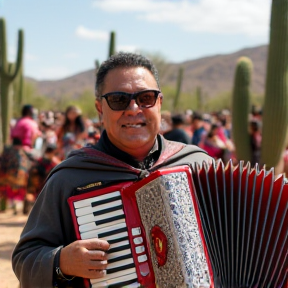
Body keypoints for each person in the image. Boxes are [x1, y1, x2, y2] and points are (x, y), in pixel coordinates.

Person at [12, 52, 212, 288]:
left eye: (145, 98)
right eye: (119, 100)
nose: (133, 108)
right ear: (100, 108)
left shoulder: (200, 166)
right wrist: (61, 261)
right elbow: (25, 258)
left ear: (159, 103)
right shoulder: (70, 178)